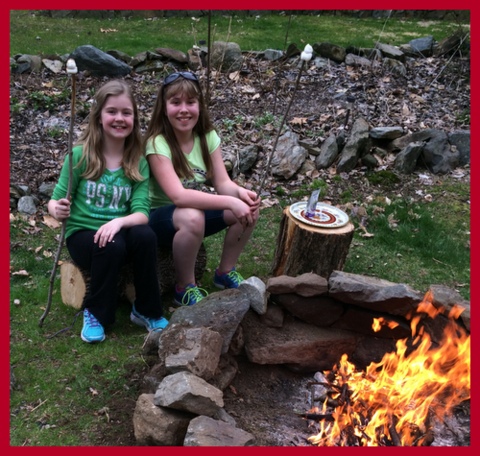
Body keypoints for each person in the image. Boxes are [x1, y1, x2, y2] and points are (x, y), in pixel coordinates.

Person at [48, 79, 167, 343]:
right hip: (83, 235)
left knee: (145, 235)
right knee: (109, 244)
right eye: (112, 111)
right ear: (99, 116)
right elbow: (54, 201)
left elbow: (142, 213)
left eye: (126, 112)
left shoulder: (137, 162)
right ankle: (97, 313)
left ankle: (146, 310)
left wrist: (118, 222)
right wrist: (58, 209)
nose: (119, 118)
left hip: (118, 231)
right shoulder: (79, 156)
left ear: (135, 119)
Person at [144, 71, 260, 306]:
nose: (184, 109)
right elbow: (178, 196)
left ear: (200, 105)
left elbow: (222, 183)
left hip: (189, 212)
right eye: (175, 103)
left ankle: (224, 272)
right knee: (193, 216)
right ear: (164, 108)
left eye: (190, 102)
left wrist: (239, 194)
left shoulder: (207, 137)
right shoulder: (157, 143)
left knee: (248, 208)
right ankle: (184, 288)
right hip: (158, 218)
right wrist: (229, 202)